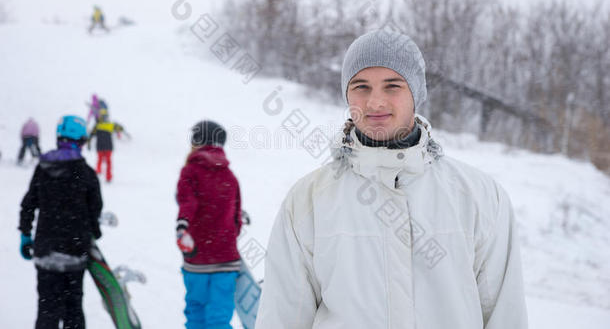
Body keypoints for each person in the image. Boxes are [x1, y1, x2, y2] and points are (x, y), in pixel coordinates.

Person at [255, 29, 528, 328]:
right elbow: (283, 316)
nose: (375, 102)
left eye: (392, 86)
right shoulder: (309, 200)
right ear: (346, 94)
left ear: (416, 93)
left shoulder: (480, 197)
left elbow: (504, 314)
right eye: (361, 86)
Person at [18, 115, 103, 329]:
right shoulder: (86, 173)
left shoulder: (43, 169)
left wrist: (25, 234)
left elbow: (29, 203)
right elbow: (95, 209)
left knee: (47, 310)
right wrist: (93, 232)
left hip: (46, 251)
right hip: (75, 252)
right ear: (80, 142)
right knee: (73, 309)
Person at [175, 120, 243, 329]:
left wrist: (182, 224)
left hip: (197, 260)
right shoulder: (229, 176)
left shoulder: (190, 172)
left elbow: (188, 202)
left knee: (196, 313)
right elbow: (236, 220)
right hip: (226, 260)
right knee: (219, 320)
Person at [87, 108, 126, 183]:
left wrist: (88, 143)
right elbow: (120, 128)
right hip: (108, 147)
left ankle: (98, 173)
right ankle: (108, 177)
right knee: (108, 162)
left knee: (100, 160)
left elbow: (91, 135)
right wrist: (117, 125)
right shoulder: (110, 125)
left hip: (100, 147)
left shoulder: (97, 125)